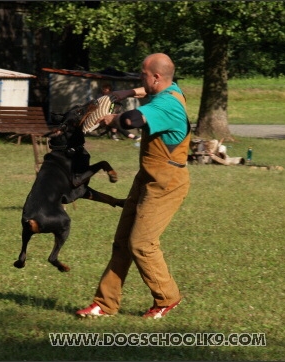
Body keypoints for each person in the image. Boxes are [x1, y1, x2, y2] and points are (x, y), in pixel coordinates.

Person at [76, 53, 191, 319]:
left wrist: (111, 118)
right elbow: (146, 89)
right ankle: (104, 304)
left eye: (142, 73)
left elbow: (131, 121)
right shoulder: (172, 90)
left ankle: (167, 298)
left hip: (167, 183)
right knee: (122, 242)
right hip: (147, 178)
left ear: (156, 77)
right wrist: (122, 92)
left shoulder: (166, 105)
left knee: (141, 243)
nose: (140, 77)